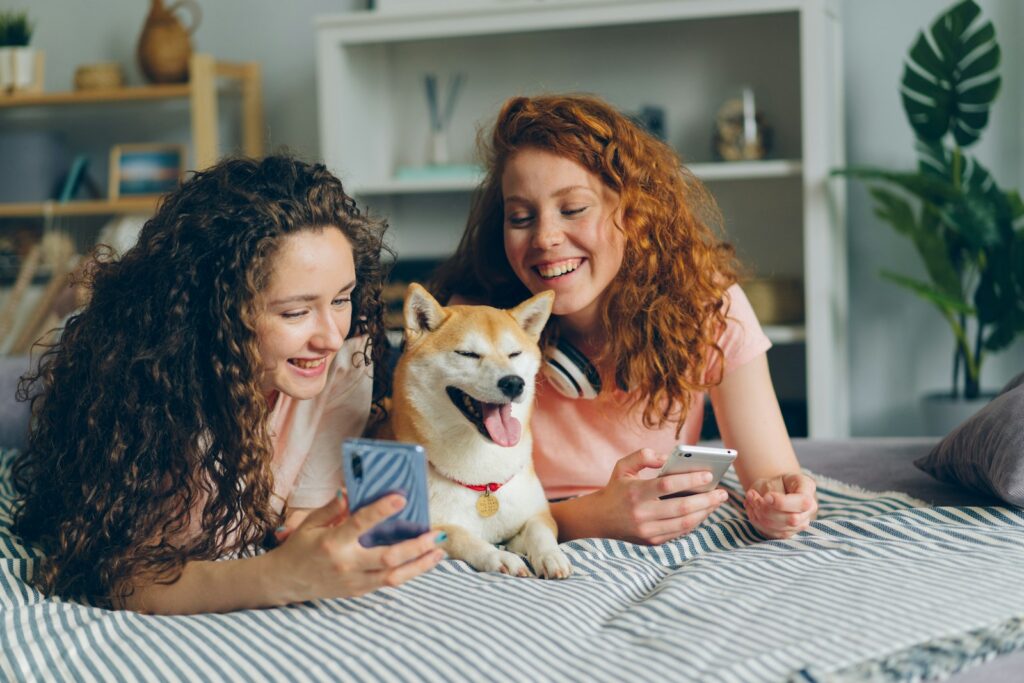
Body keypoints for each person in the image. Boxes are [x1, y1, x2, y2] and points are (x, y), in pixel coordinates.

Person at [11, 156, 445, 614]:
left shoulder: (347, 356)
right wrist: (280, 576)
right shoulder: (156, 391)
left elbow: (298, 517)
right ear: (218, 312)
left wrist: (319, 536)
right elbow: (125, 575)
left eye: (341, 298)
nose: (331, 336)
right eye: (295, 312)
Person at [432, 94, 817, 545]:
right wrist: (591, 517)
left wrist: (782, 502)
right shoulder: (468, 329)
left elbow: (771, 474)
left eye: (573, 209)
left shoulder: (707, 303)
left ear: (633, 213)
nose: (545, 237)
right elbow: (458, 508)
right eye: (520, 217)